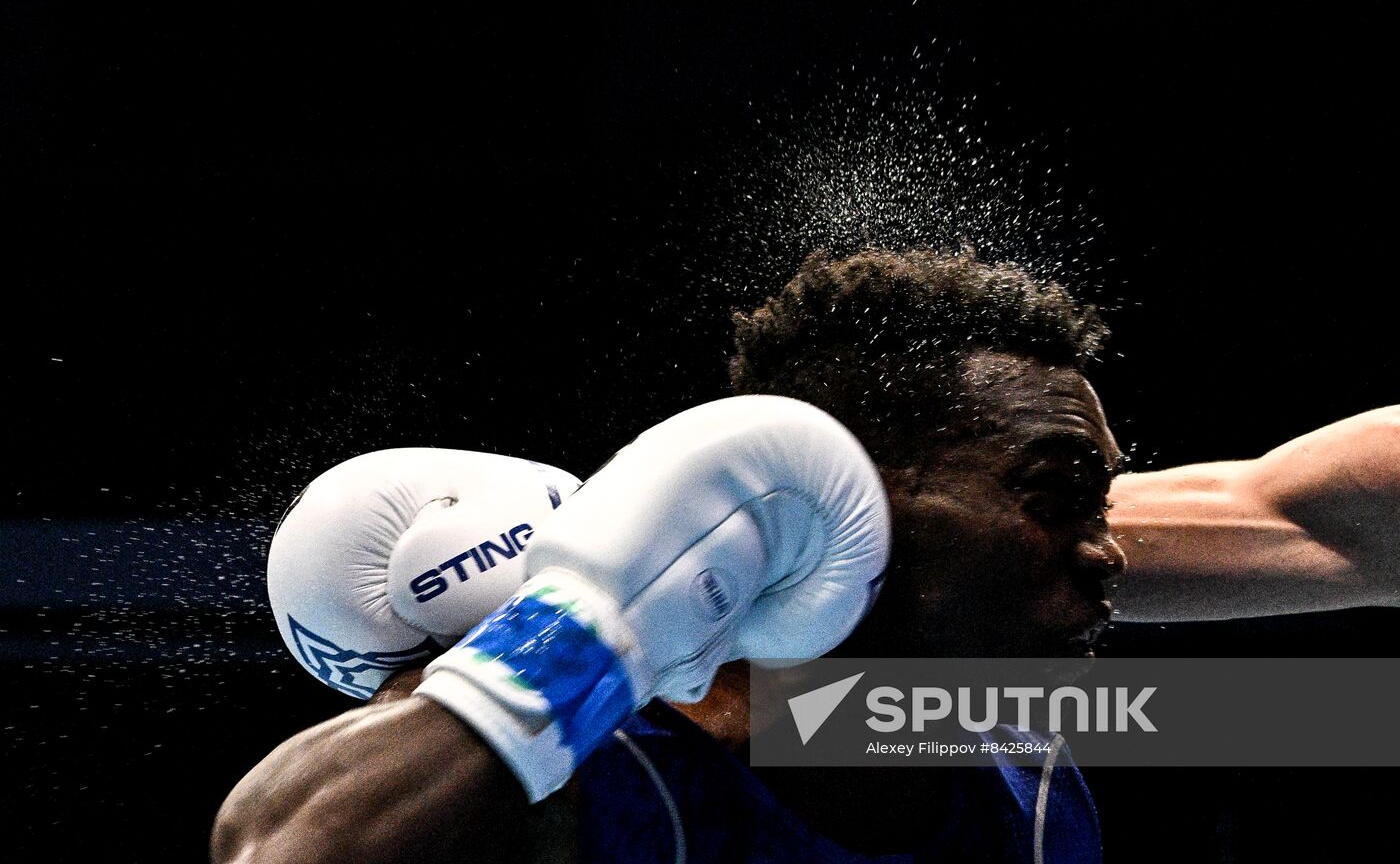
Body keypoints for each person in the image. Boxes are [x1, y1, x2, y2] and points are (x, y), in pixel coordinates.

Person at [211, 248, 1397, 862]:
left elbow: (1332, 601)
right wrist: (583, 620)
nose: (1109, 550)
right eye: (1058, 493)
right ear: (862, 502)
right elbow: (287, 844)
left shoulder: (986, 743)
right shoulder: (619, 758)